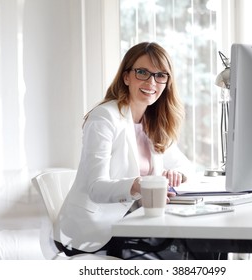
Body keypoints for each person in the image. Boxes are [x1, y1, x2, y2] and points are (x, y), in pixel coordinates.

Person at [54, 42, 194, 257]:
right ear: (126, 77)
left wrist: (177, 174)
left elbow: (184, 165)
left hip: (135, 223)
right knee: (184, 252)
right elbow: (96, 188)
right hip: (94, 232)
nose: (151, 82)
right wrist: (139, 185)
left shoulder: (153, 121)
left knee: (193, 248)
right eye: (142, 72)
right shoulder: (104, 118)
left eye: (160, 75)